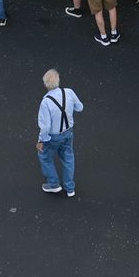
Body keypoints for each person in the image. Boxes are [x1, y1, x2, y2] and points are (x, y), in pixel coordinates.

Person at [36, 68, 82, 196]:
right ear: (58, 80)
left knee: (45, 157)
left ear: (45, 84)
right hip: (68, 133)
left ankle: (54, 184)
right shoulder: (69, 92)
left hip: (53, 136)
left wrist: (41, 140)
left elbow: (45, 126)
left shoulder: (46, 102)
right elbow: (80, 107)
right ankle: (70, 188)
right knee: (68, 157)